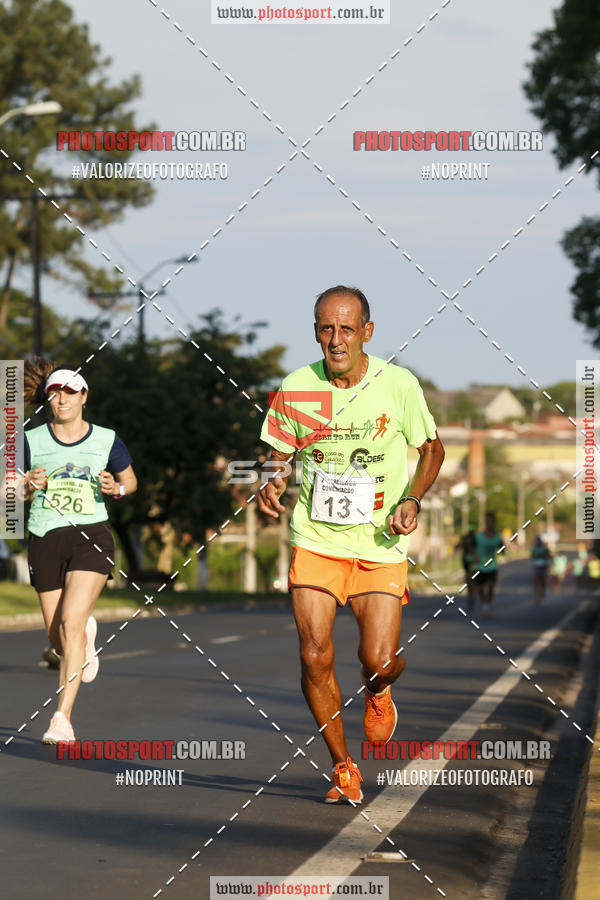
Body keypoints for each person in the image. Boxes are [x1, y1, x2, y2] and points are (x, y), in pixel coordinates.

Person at [258, 286, 444, 803]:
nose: (335, 340)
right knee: (315, 655)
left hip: (381, 541)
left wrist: (413, 497)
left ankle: (380, 690)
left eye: (346, 328)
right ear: (315, 330)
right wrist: (271, 476)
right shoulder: (300, 386)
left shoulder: (396, 384)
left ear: (367, 331)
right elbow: (276, 450)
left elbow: (431, 448)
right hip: (317, 539)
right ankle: (343, 765)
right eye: (325, 328)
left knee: (378, 660)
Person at [23, 359, 137, 744]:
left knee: (70, 623)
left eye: (70, 391)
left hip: (91, 535)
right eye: (55, 392)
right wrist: (24, 486)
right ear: (48, 398)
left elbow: (130, 483)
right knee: (59, 636)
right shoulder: (30, 440)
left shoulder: (106, 439)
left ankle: (62, 718)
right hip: (44, 537)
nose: (63, 398)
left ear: (84, 396)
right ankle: (84, 639)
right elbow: (8, 495)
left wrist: (114, 489)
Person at [473, 512, 503, 617]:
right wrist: (474, 555)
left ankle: (487, 606)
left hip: (492, 566)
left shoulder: (497, 537)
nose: (489, 523)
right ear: (485, 522)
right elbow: (471, 547)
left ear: (494, 522)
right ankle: (483, 605)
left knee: (490, 587)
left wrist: (503, 549)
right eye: (487, 520)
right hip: (480, 566)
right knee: (480, 589)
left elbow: (502, 548)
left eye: (491, 520)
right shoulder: (478, 536)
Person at [457, 525, 477, 610]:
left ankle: (472, 596)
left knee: (471, 580)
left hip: (472, 561)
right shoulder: (466, 539)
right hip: (467, 561)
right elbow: (458, 546)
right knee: (470, 580)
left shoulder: (475, 539)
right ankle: (471, 597)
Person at [531, 536, 551, 605]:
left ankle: (541, 591)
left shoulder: (541, 549)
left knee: (540, 580)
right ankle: (539, 593)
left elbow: (532, 556)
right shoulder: (539, 549)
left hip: (540, 566)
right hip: (539, 566)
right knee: (539, 580)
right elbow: (532, 556)